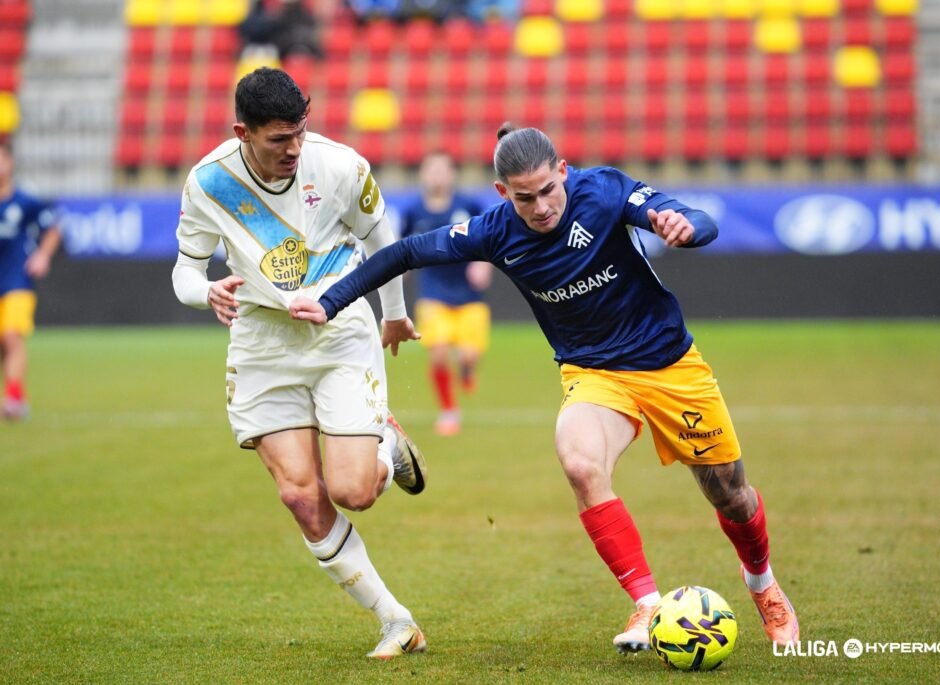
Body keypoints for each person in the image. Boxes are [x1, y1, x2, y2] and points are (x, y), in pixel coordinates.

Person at [290, 123, 801, 652]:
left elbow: (699, 220)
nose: (539, 208)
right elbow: (403, 253)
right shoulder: (494, 231)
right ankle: (647, 605)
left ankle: (762, 583)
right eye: (523, 198)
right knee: (580, 462)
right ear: (502, 194)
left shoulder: (603, 190)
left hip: (670, 364)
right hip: (593, 374)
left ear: (563, 171)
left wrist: (685, 227)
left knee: (730, 495)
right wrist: (329, 303)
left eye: (547, 190)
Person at [171, 67, 428, 659]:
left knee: (353, 491)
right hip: (262, 343)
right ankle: (396, 620)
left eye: (300, 133)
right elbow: (186, 268)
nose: (294, 149)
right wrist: (204, 290)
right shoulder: (209, 183)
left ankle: (385, 445)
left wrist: (394, 313)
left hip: (338, 332)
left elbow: (382, 243)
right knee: (299, 494)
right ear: (243, 132)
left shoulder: (339, 166)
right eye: (278, 140)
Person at [400, 150, 491, 436]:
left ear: (452, 174)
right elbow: (404, 245)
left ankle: (466, 369)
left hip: (468, 296)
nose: (437, 175)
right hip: (433, 292)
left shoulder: (468, 204)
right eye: (432, 169)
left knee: (467, 356)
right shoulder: (414, 212)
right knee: (438, 353)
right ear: (423, 174)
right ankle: (449, 411)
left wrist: (482, 264)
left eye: (442, 169)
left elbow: (487, 239)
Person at [0, 137, 61, 421]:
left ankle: (14, 398)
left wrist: (42, 256)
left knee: (12, 335)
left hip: (16, 281)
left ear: (10, 163)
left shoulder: (25, 201)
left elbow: (52, 228)